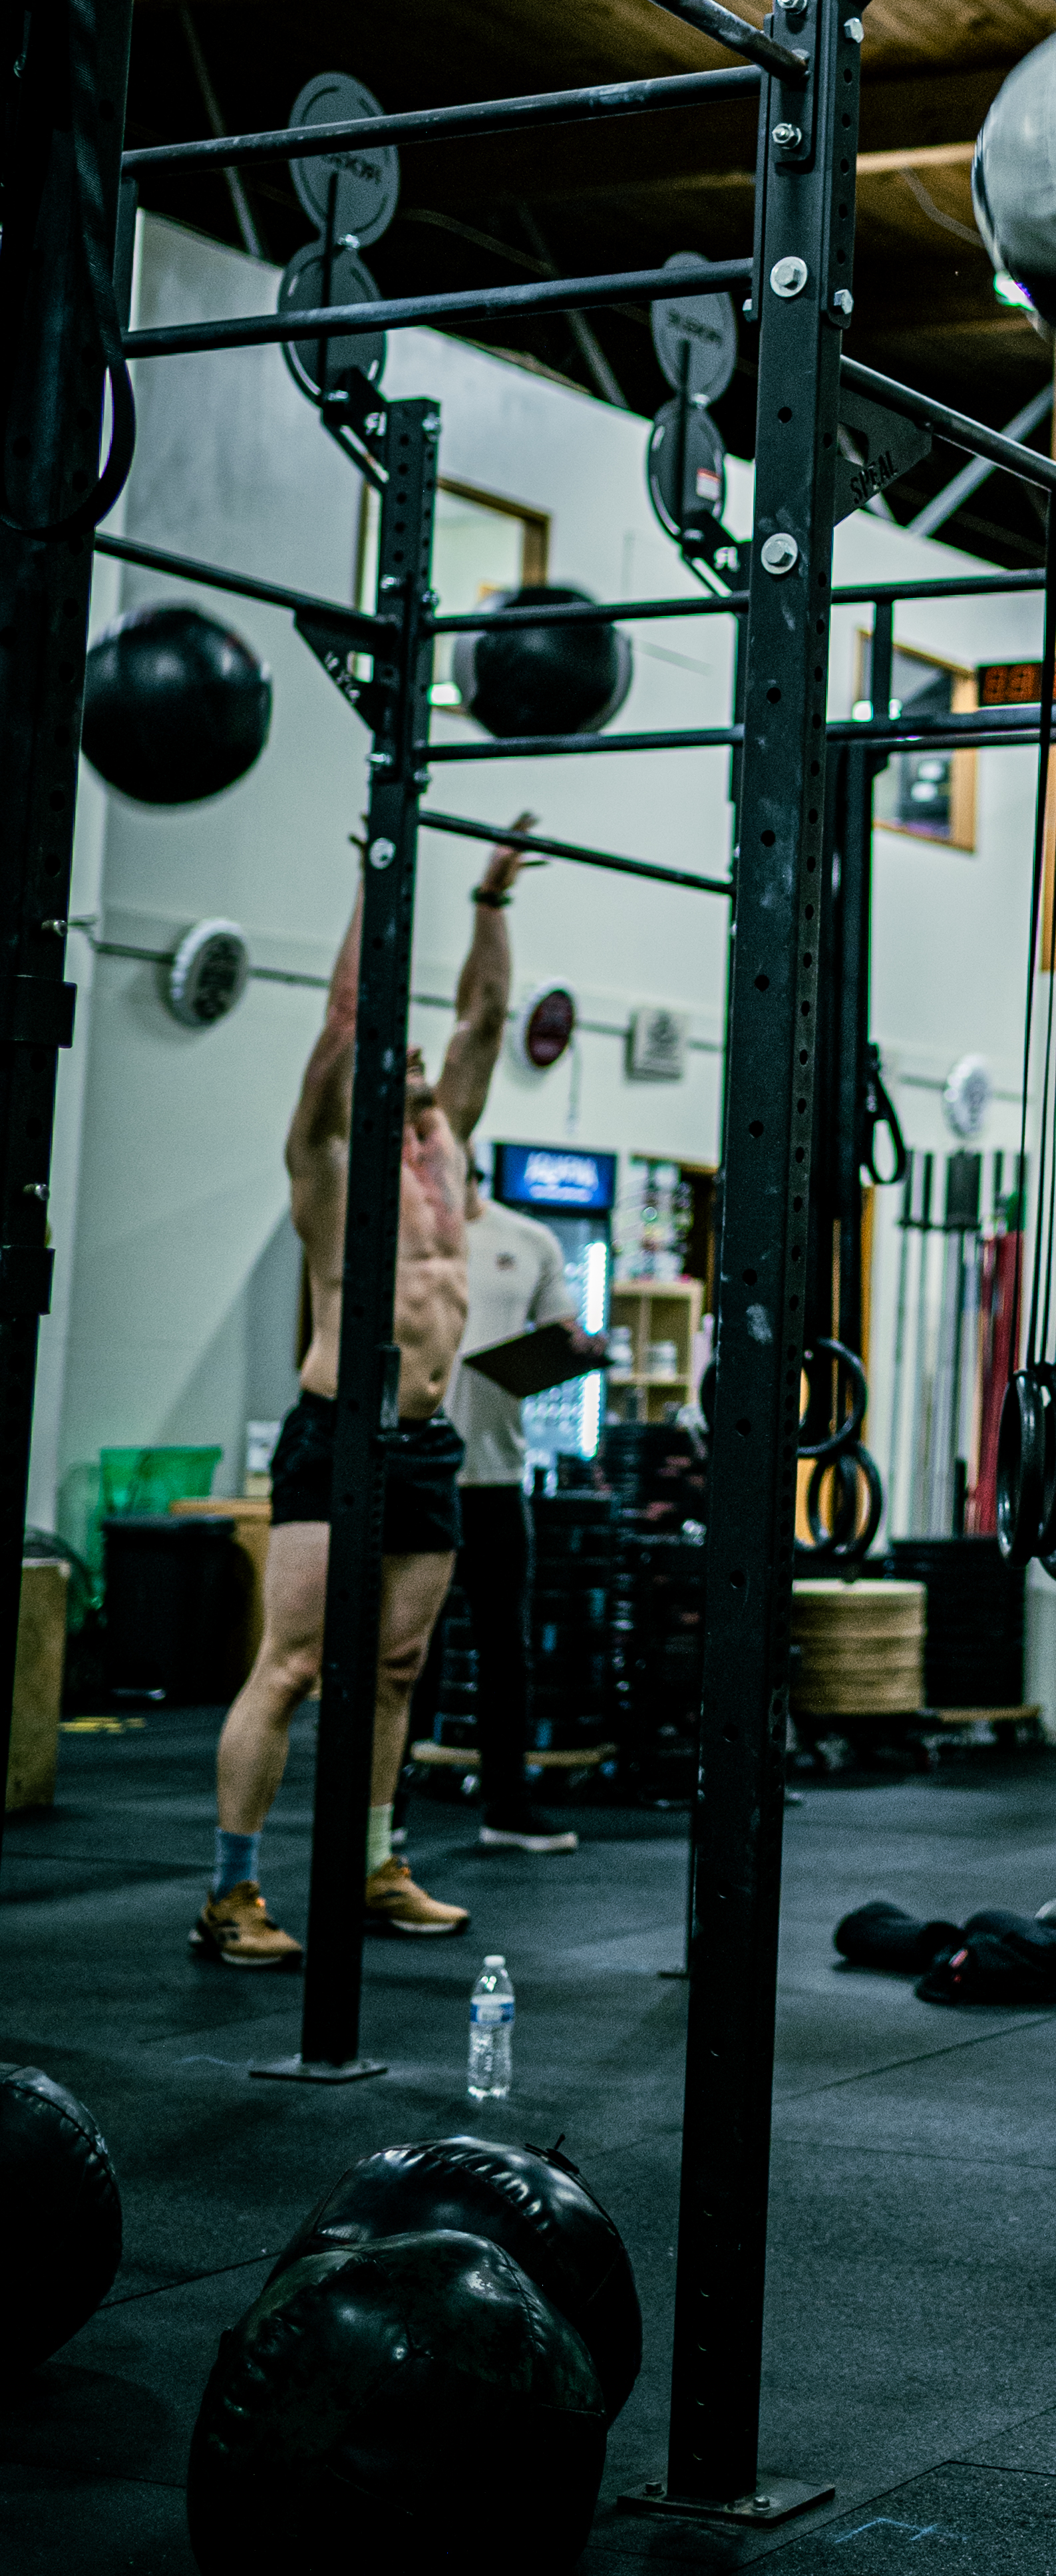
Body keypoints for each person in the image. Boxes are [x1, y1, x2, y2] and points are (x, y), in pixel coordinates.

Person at [194, 830, 536, 1969]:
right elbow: (345, 1020)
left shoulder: (450, 1152)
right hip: (337, 1434)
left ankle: (373, 1864)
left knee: (396, 1668)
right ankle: (230, 1890)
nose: (425, 1062)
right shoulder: (331, 1162)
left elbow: (487, 1014)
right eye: (404, 1056)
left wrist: (489, 899)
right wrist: (375, 877)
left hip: (427, 1443)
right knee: (293, 1666)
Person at [405, 1153, 601, 1856]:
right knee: (407, 1652)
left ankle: (507, 1809)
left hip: (496, 1476)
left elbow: (562, 1332)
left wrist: (581, 1348)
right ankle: (382, 1814)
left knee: (504, 1651)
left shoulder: (530, 1239)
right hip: (418, 1473)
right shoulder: (407, 1234)